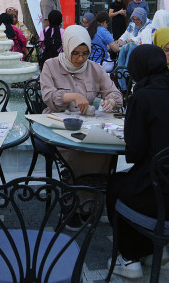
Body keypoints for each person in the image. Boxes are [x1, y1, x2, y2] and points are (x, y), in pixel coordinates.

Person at [106, 44, 169, 279]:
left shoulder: (143, 96)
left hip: (164, 197)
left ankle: (130, 257)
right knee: (139, 182)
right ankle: (155, 250)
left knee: (117, 185)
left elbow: (135, 152)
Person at [40, 26, 123, 211]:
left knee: (103, 149)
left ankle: (91, 202)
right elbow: (48, 96)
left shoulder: (95, 68)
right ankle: (75, 203)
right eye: (75, 53)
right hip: (59, 124)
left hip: (89, 125)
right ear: (67, 49)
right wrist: (73, 96)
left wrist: (111, 101)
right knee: (76, 151)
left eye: (85, 53)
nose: (80, 59)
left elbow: (115, 94)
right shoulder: (51, 65)